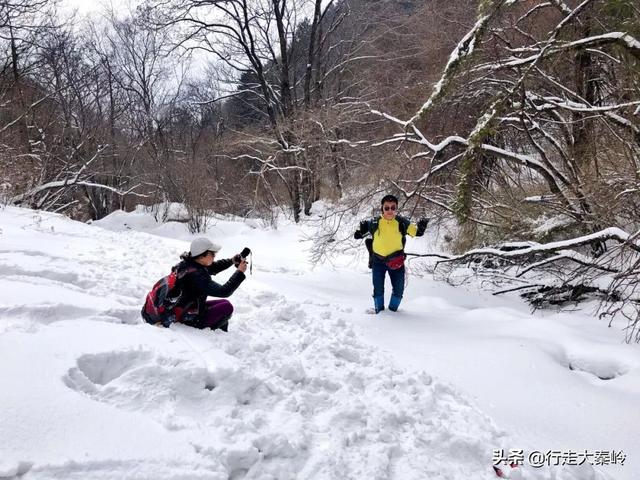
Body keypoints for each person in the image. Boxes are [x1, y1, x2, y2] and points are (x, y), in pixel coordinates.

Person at [354, 194, 428, 313]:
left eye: (393, 207)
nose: (390, 210)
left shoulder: (402, 222)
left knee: (398, 291)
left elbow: (417, 232)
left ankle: (393, 313)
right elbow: (359, 233)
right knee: (378, 290)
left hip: (396, 262)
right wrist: (360, 231)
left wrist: (422, 227)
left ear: (396, 208)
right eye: (386, 208)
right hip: (378, 261)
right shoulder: (374, 222)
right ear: (382, 208)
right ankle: (379, 312)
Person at [173, 237, 248, 331]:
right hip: (189, 317)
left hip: (189, 306)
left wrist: (232, 260)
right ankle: (213, 332)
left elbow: (213, 267)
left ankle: (221, 331)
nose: (215, 256)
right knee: (227, 307)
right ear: (201, 256)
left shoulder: (189, 263)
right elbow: (224, 291)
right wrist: (239, 272)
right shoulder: (197, 276)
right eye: (212, 253)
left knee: (224, 303)